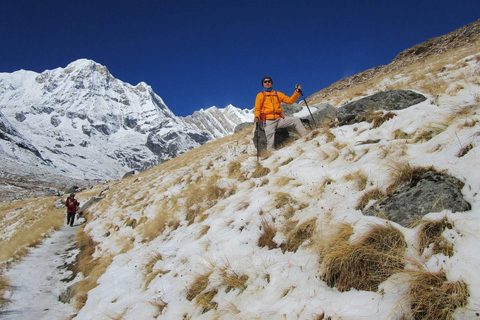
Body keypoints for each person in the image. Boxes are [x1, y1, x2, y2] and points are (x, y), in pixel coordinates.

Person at [254, 76, 308, 151]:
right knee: (270, 144)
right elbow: (257, 108)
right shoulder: (260, 95)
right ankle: (271, 156)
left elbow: (290, 101)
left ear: (271, 83)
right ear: (263, 84)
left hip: (279, 119)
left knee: (295, 120)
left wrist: (297, 92)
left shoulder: (277, 94)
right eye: (265, 82)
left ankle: (307, 137)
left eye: (269, 81)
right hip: (268, 121)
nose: (267, 83)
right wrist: (257, 117)